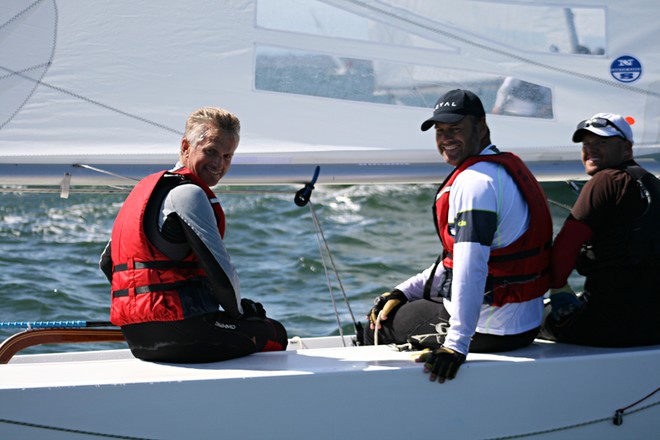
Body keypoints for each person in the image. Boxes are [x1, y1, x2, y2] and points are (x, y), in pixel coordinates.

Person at [363, 89, 552, 383]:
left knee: (377, 324)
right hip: (524, 324)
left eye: (456, 129)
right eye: (440, 131)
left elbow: (470, 265)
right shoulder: (503, 170)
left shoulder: (474, 183)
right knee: (396, 303)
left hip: (491, 329)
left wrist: (456, 345)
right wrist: (404, 291)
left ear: (481, 127)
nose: (446, 139)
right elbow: (458, 261)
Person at [99, 106, 288, 363]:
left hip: (137, 339)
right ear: (186, 146)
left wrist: (144, 308)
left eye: (227, 156)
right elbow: (221, 276)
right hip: (186, 332)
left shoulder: (143, 193)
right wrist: (242, 312)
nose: (218, 164)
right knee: (274, 333)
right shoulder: (189, 194)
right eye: (211, 151)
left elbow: (107, 263)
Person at [540, 113, 660, 347]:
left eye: (602, 143)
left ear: (626, 148)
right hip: (653, 325)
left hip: (608, 326)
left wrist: (555, 286)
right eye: (586, 144)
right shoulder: (654, 184)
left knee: (528, 322)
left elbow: (564, 249)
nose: (590, 150)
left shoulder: (605, 181)